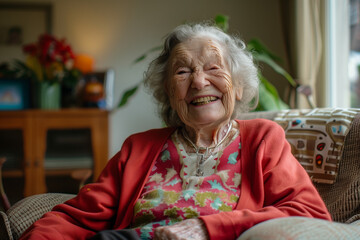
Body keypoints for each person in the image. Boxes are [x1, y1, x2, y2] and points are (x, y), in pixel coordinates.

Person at [19, 22, 331, 240]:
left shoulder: (264, 139)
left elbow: (309, 214)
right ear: (169, 93)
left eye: (212, 68)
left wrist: (207, 229)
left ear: (237, 87)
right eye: (182, 72)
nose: (198, 82)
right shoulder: (138, 149)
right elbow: (75, 218)